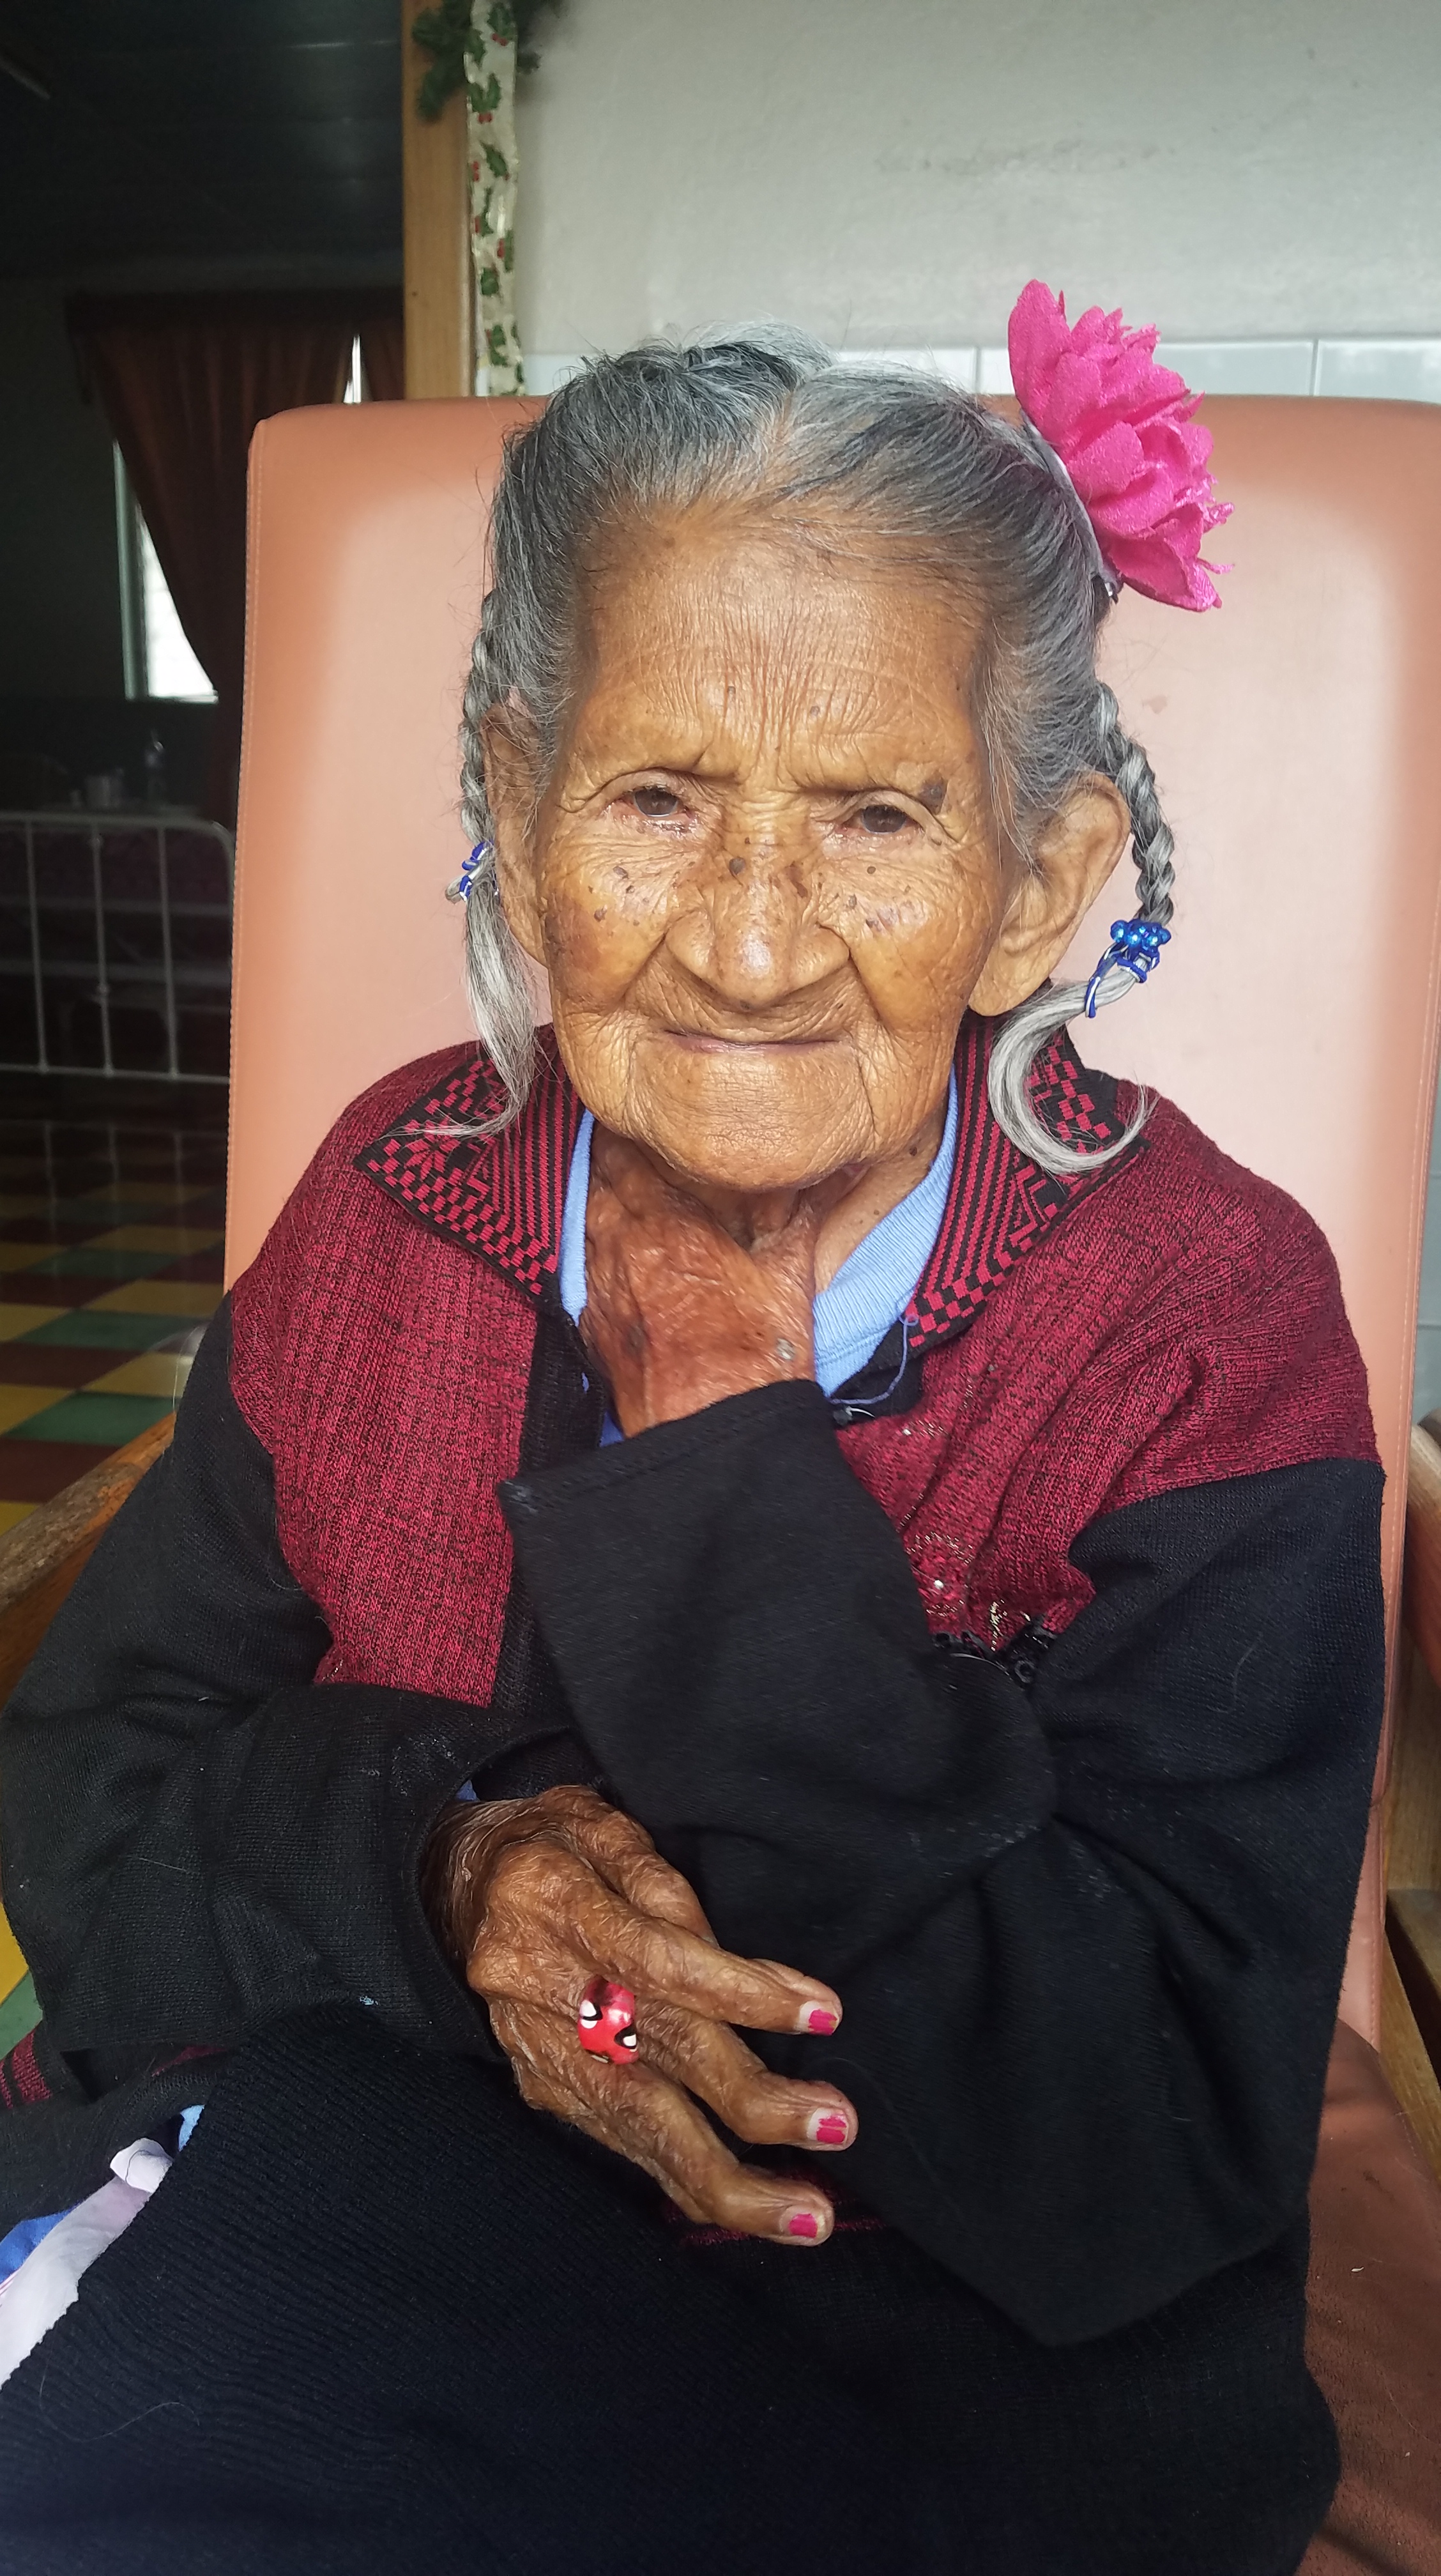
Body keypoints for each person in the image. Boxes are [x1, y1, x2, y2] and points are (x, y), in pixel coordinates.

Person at [0, 286, 1383, 2575]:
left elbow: (1137, 2152)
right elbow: (90, 1790)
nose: (750, 947)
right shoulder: (394, 1203)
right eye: (655, 799)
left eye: (876, 816)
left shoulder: (1205, 1328)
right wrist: (445, 1873)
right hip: (346, 2250)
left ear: (1035, 885)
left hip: (921, 2408)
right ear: (515, 806)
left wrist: (727, 1468)